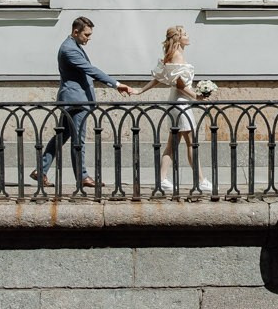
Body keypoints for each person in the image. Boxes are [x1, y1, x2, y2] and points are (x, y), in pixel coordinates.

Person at [33, 16, 132, 190]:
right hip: (76, 101)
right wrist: (116, 84)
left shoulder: (73, 46)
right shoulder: (69, 49)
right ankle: (82, 176)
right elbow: (90, 70)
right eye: (86, 34)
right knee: (78, 139)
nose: (89, 38)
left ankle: (40, 170)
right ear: (75, 31)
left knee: (61, 136)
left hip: (71, 99)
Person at [145, 24, 210, 195]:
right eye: (185, 34)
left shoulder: (171, 55)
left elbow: (159, 78)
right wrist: (196, 96)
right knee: (191, 143)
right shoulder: (177, 56)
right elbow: (180, 85)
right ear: (178, 38)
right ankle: (201, 180)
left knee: (172, 144)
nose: (188, 36)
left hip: (177, 102)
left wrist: (140, 90)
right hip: (181, 103)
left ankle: (162, 180)